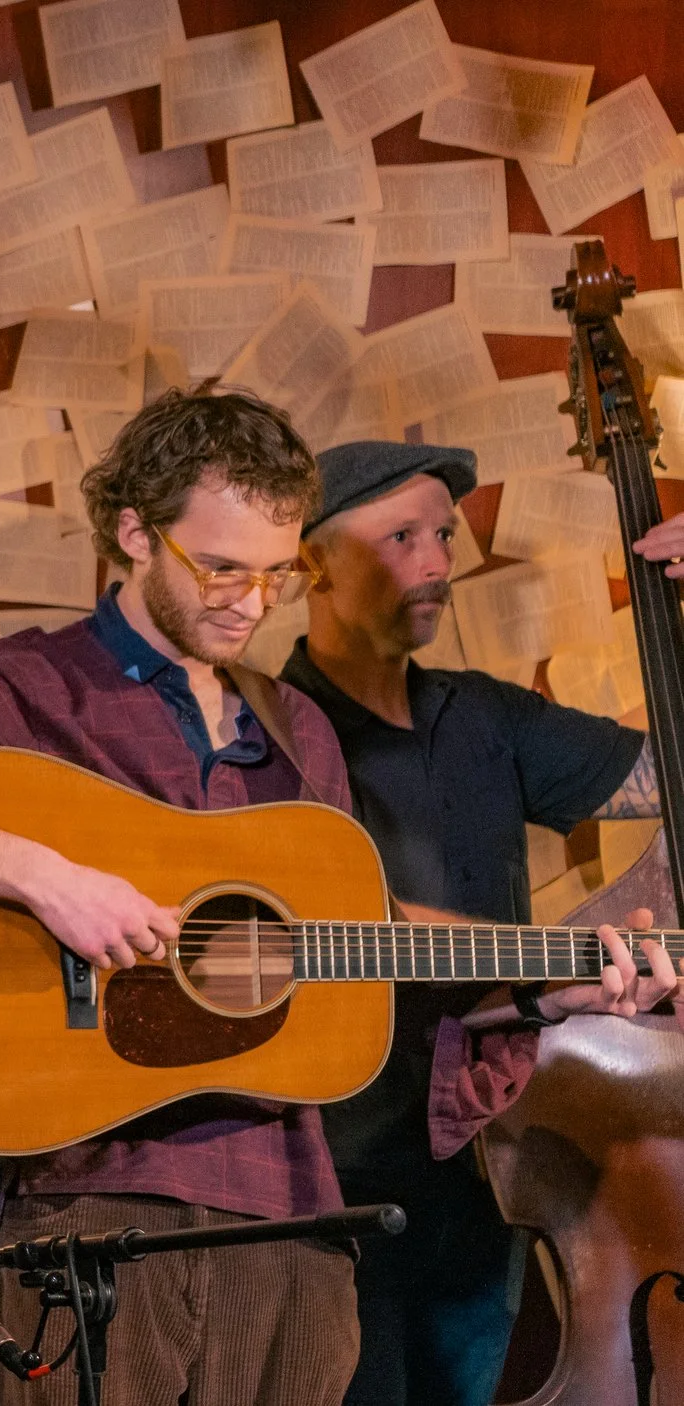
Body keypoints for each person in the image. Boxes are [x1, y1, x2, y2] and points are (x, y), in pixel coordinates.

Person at [0, 390, 667, 1405]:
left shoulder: (295, 732)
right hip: (85, 1207)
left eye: (275, 573)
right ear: (135, 532)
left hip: (287, 1219)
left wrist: (549, 987)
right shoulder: (25, 686)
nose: (248, 601)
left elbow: (351, 959)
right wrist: (51, 881)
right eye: (220, 566)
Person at [278, 440, 678, 1406]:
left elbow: (668, 777)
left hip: (486, 1158)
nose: (438, 562)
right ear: (312, 564)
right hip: (323, 1168)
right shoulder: (263, 730)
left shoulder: (488, 716)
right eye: (401, 536)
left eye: (445, 536)